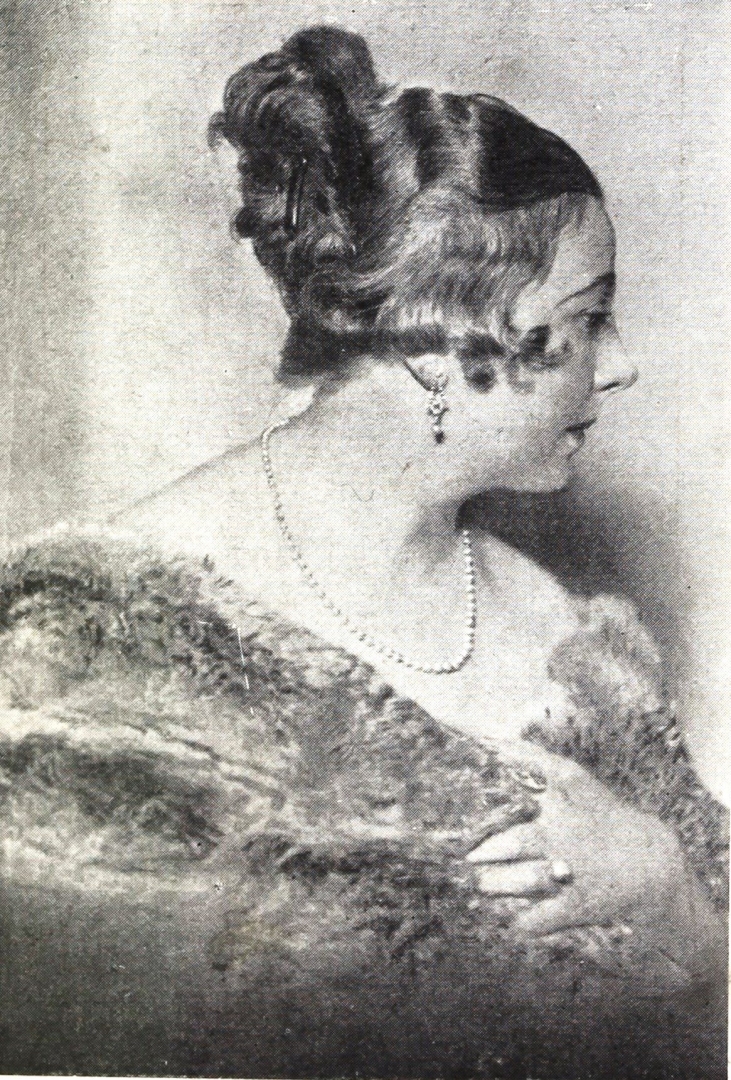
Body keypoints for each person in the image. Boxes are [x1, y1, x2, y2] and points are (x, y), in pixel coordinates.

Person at [0, 25, 726, 1080]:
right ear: (438, 343)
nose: (617, 368)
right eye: (588, 317)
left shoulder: (568, 641)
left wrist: (669, 895)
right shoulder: (94, 634)